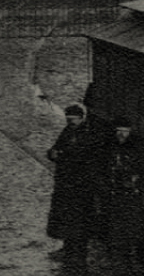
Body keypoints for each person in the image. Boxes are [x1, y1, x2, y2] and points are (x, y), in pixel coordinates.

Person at [44, 104, 103, 260]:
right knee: (66, 219)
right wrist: (52, 153)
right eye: (68, 119)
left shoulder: (89, 135)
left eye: (73, 119)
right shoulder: (68, 131)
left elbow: (83, 157)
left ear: (82, 118)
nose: (70, 122)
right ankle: (67, 248)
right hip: (65, 185)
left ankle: (79, 252)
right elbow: (56, 148)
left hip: (81, 187)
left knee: (80, 221)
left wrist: (62, 155)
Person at [99, 118, 144, 267]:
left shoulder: (138, 148)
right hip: (112, 191)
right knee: (112, 224)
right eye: (119, 131)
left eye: (125, 131)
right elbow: (101, 168)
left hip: (132, 192)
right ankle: (113, 255)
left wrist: (136, 178)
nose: (122, 134)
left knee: (133, 224)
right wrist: (106, 184)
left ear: (130, 131)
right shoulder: (108, 147)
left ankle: (133, 256)